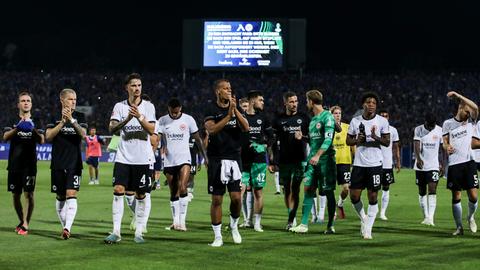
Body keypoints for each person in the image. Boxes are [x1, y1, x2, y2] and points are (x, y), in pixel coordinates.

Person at [104, 73, 156, 244]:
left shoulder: (149, 107)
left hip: (143, 159)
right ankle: (116, 231)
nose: (137, 88)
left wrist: (139, 117)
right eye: (133, 85)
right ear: (126, 87)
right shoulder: (119, 107)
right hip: (123, 158)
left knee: (141, 195)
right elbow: (112, 128)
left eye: (139, 85)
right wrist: (127, 119)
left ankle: (139, 232)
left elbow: (151, 130)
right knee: (119, 190)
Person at [204, 79, 249, 247]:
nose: (229, 91)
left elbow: (246, 127)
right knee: (217, 199)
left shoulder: (235, 109)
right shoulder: (211, 110)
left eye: (230, 88)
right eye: (225, 89)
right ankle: (217, 236)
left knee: (236, 198)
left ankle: (234, 226)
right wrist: (228, 117)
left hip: (234, 158)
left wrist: (234, 110)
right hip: (216, 159)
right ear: (218, 91)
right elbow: (212, 129)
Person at [290, 90, 336, 234]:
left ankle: (330, 225)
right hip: (312, 161)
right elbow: (313, 140)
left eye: (306, 101)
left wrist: (318, 155)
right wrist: (302, 137)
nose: (306, 103)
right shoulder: (313, 120)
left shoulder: (327, 116)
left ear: (311, 101)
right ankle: (304, 224)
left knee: (328, 192)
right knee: (308, 189)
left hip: (325, 161)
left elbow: (328, 139)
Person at [158, 97, 207, 231]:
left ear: (180, 109)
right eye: (172, 112)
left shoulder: (188, 119)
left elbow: (198, 140)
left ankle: (183, 222)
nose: (174, 115)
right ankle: (175, 222)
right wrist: (163, 145)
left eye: (177, 112)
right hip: (169, 161)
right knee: (173, 191)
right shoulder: (162, 120)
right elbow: (160, 136)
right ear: (169, 109)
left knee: (183, 187)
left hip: (184, 159)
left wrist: (205, 157)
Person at [346, 92, 390, 240]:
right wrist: (358, 139)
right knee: (354, 196)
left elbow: (387, 142)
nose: (371, 104)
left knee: (372, 196)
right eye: (368, 102)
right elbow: (348, 141)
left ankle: (368, 229)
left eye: (374, 103)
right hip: (359, 163)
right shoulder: (355, 121)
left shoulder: (382, 121)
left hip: (375, 163)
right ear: (363, 104)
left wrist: (375, 137)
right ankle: (364, 218)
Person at [46, 88, 87, 240]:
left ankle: (67, 228)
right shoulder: (53, 116)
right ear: (62, 100)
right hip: (57, 163)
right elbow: (48, 136)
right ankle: (65, 226)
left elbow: (83, 134)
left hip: (74, 163)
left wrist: (72, 121)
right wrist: (62, 122)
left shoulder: (80, 116)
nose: (73, 102)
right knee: (60, 196)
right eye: (70, 99)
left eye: (75, 99)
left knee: (71, 194)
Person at [3, 92, 44, 235]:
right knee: (15, 195)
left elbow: (42, 140)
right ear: (18, 104)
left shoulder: (37, 121)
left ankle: (26, 224)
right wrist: (19, 127)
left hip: (29, 164)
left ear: (31, 104)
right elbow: (5, 136)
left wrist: (32, 128)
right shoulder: (12, 120)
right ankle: (22, 221)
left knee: (29, 194)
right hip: (14, 164)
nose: (26, 103)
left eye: (28, 101)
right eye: (23, 100)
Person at [270, 91, 309, 230]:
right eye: (291, 102)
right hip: (284, 160)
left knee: (295, 188)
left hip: (300, 159)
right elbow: (273, 141)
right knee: (287, 190)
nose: (294, 104)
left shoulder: (304, 118)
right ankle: (290, 216)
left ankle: (291, 219)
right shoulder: (278, 120)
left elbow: (312, 137)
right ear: (285, 103)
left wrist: (302, 137)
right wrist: (273, 161)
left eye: (296, 101)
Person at [442, 91, 479, 236]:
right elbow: (444, 142)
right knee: (456, 196)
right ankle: (459, 227)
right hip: (455, 164)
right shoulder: (448, 124)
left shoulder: (471, 122)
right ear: (460, 109)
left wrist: (458, 96)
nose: (469, 114)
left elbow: (475, 108)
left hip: (469, 162)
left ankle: (470, 217)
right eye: (466, 111)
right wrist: (446, 147)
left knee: (474, 196)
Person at [240, 90, 272, 232]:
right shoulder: (241, 117)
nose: (262, 102)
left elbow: (272, 137)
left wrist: (264, 145)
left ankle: (257, 222)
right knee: (239, 191)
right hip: (242, 160)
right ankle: (238, 220)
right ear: (253, 101)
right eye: (261, 100)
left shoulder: (263, 118)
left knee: (258, 192)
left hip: (258, 160)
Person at [414, 112, 443, 226]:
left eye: (433, 125)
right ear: (425, 122)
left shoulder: (439, 130)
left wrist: (442, 163)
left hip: (434, 165)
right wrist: (418, 158)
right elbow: (416, 144)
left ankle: (431, 218)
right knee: (421, 192)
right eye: (429, 125)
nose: (431, 128)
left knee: (432, 190)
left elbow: (441, 149)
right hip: (420, 166)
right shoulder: (418, 129)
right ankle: (425, 217)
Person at [330, 105, 355, 219]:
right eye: (335, 113)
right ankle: (332, 211)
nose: (338, 115)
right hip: (331, 162)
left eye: (339, 113)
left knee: (346, 188)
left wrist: (355, 158)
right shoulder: (328, 127)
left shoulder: (347, 127)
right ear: (331, 115)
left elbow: (353, 145)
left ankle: (339, 203)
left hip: (345, 162)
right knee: (329, 189)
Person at [378, 110, 401, 220]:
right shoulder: (375, 128)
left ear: (388, 117)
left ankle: (382, 213)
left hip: (387, 163)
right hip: (375, 163)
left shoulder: (393, 130)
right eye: (382, 116)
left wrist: (398, 162)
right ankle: (372, 210)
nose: (384, 117)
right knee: (372, 188)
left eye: (385, 116)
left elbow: (395, 147)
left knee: (386, 187)